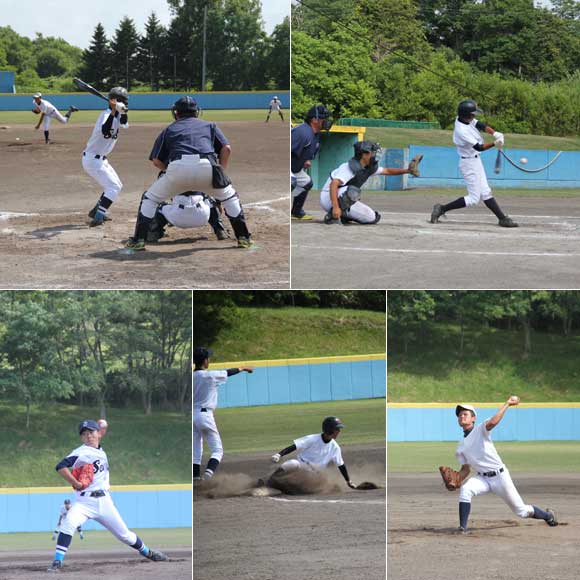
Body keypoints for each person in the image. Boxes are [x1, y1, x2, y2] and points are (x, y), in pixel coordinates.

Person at [126, 96, 252, 251]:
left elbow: (156, 161)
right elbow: (226, 148)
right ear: (197, 112)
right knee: (229, 197)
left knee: (149, 199)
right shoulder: (210, 125)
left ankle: (138, 241)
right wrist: (220, 171)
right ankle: (243, 238)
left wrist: (171, 172)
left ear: (176, 113)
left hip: (177, 167)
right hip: (208, 167)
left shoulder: (169, 129)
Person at [47, 419, 167, 572]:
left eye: (91, 432)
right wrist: (76, 483)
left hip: (104, 502)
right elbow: (60, 466)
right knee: (68, 524)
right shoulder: (81, 452)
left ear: (98, 434)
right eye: (84, 434)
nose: (88, 436)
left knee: (125, 535)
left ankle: (148, 553)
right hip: (83, 501)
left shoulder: (101, 451)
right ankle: (57, 562)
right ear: (81, 438)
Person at [451, 399, 557, 533]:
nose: (461, 416)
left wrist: (507, 404)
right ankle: (462, 528)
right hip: (482, 479)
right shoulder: (460, 447)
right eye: (459, 415)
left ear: (473, 418)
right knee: (466, 489)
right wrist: (455, 480)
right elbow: (465, 469)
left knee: (522, 511)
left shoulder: (480, 430)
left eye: (465, 414)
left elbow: (493, 422)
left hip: (500, 476)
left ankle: (548, 515)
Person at [430, 100, 518, 227]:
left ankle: (502, 218)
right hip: (469, 163)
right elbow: (479, 147)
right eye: (473, 113)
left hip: (475, 161)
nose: (474, 116)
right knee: (473, 199)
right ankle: (441, 208)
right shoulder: (462, 131)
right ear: (466, 114)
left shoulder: (464, 119)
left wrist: (495, 133)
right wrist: (495, 143)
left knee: (486, 192)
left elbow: (480, 125)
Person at [320, 141, 422, 224]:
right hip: (328, 197)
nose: (374, 154)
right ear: (364, 154)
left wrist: (407, 171)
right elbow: (333, 184)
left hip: (342, 195)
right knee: (353, 191)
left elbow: (387, 171)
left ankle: (343, 215)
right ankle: (332, 216)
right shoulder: (348, 167)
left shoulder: (367, 167)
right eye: (372, 152)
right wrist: (336, 207)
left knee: (371, 217)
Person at [193, 347, 254, 481]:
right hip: (205, 415)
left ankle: (195, 478)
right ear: (205, 361)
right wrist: (243, 368)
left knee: (196, 450)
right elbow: (228, 372)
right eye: (208, 357)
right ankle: (207, 477)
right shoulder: (209, 376)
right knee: (217, 450)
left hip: (192, 416)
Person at [261, 417, 357, 490]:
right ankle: (268, 481)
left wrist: (348, 481)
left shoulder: (335, 447)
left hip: (315, 474)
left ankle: (282, 488)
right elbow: (295, 446)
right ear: (329, 429)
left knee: (308, 487)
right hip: (302, 466)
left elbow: (341, 465)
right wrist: (279, 454)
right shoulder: (313, 439)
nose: (339, 431)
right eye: (337, 429)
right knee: (292, 463)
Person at [83, 87, 129, 227]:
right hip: (92, 160)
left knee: (117, 185)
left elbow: (124, 124)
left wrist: (121, 111)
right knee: (113, 187)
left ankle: (96, 210)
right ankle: (98, 216)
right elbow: (105, 131)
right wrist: (114, 111)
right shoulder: (105, 115)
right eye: (124, 102)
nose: (126, 104)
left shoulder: (118, 115)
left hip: (101, 160)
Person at [290, 104, 332, 221]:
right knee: (291, 182)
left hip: (295, 169)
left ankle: (296, 212)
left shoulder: (315, 134)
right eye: (324, 119)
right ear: (314, 120)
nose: (326, 122)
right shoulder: (303, 132)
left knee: (306, 182)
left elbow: (306, 150)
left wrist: (306, 160)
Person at [146, 191, 228, 242]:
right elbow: (216, 191)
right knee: (209, 200)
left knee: (159, 205)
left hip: (177, 218)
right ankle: (220, 230)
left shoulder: (172, 173)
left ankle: (153, 232)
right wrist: (218, 205)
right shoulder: (203, 173)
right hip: (202, 217)